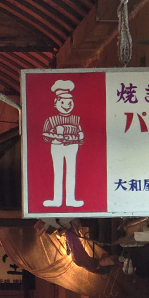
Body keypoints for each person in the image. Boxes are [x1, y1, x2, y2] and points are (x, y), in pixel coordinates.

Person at [42, 78, 84, 209]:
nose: (67, 105)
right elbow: (45, 135)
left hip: (72, 146)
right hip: (57, 147)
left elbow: (80, 133)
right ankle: (57, 200)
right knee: (58, 172)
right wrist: (57, 136)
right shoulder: (51, 120)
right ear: (56, 103)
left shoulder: (76, 119)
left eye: (69, 102)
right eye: (63, 102)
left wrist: (79, 136)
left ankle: (71, 199)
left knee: (71, 171)